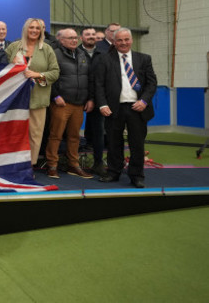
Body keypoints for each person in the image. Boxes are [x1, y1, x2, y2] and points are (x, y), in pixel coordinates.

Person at [96, 28, 157, 188]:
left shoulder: (144, 59)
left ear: (131, 40)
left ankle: (136, 175)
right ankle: (113, 172)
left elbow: (152, 83)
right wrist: (102, 104)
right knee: (113, 143)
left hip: (138, 108)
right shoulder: (105, 59)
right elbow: (99, 84)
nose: (123, 43)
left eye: (126, 39)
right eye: (119, 40)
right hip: (113, 108)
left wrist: (143, 101)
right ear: (114, 42)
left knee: (137, 144)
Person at [6, 18, 60, 167]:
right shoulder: (13, 47)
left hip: (38, 98)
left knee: (35, 134)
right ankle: (12, 164)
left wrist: (38, 75)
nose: (35, 30)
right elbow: (2, 69)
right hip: (15, 99)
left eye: (37, 28)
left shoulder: (47, 49)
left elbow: (55, 72)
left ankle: (30, 165)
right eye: (31, 28)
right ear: (25, 29)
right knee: (14, 133)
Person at [45, 28, 94, 179]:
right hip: (61, 103)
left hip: (79, 104)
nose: (74, 40)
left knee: (75, 137)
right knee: (56, 135)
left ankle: (74, 165)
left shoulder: (82, 54)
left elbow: (89, 77)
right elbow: (49, 77)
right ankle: (52, 165)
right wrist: (55, 96)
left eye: (75, 37)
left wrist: (90, 98)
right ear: (61, 40)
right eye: (70, 38)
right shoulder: (54, 53)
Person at [80, 27, 108, 175]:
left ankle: (98, 163)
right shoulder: (75, 52)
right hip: (76, 97)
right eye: (87, 34)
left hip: (97, 98)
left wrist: (93, 98)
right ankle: (68, 162)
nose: (91, 37)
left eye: (93, 34)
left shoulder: (104, 54)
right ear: (81, 38)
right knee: (70, 133)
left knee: (99, 132)